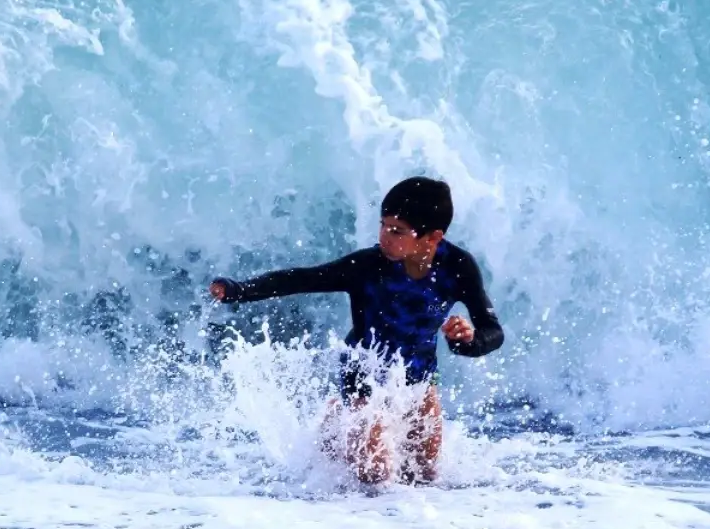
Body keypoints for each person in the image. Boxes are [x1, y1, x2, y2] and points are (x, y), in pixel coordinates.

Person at [209, 176, 505, 485]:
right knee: (374, 477)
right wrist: (239, 290)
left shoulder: (457, 267)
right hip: (363, 371)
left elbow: (492, 332)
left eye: (397, 231)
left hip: (418, 379)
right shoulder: (367, 266)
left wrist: (467, 340)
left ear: (431, 238)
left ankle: (339, 422)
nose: (384, 237)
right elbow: (302, 279)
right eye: (383, 225)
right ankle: (344, 420)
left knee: (423, 477)